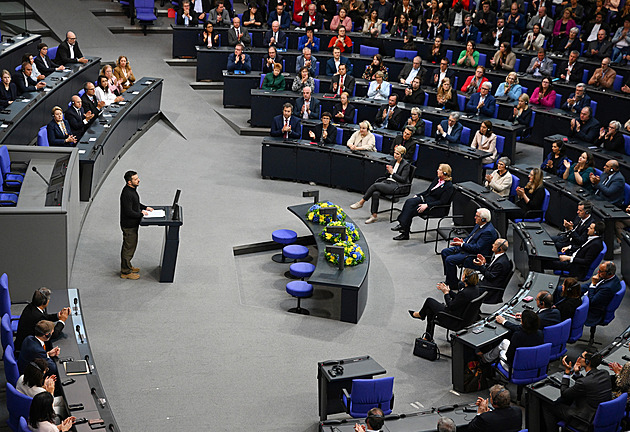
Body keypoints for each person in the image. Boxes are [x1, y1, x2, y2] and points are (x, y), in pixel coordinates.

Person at [542, 351, 612, 432]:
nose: (578, 358)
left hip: (584, 420)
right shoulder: (605, 373)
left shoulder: (584, 382)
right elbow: (587, 385)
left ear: (587, 362)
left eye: (581, 357)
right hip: (599, 416)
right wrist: (577, 373)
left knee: (548, 406)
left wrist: (567, 372)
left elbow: (564, 394)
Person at [409, 268, 481, 338]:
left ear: (466, 279)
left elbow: (450, 306)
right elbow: (459, 299)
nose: (462, 276)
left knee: (429, 301)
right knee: (429, 309)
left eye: (463, 275)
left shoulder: (464, 293)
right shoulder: (475, 289)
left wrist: (446, 293)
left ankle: (421, 315)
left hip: (454, 320)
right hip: (465, 319)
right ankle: (428, 337)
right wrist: (449, 291)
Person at [350, 145, 411, 224]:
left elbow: (403, 180)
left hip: (398, 186)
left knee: (375, 185)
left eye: (398, 154)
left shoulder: (406, 165)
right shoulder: (393, 161)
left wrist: (392, 172)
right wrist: (388, 171)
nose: (395, 155)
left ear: (402, 155)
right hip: (388, 182)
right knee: (375, 193)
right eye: (395, 153)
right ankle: (374, 216)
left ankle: (361, 202)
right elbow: (386, 175)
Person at [392, 164, 454, 240]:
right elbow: (428, 191)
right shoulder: (437, 179)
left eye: (440, 170)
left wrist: (427, 205)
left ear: (444, 173)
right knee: (409, 202)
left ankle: (405, 233)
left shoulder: (449, 186)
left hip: (435, 207)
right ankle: (402, 225)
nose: (437, 171)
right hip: (426, 199)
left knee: (411, 210)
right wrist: (418, 195)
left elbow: (442, 202)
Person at [440, 208, 498, 289]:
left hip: (474, 256)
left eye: (477, 216)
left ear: (483, 219)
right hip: (467, 249)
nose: (474, 217)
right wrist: (462, 241)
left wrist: (462, 244)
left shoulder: (488, 232)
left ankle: (453, 285)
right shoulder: (479, 225)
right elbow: (470, 237)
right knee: (444, 252)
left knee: (450, 260)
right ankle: (451, 279)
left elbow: (477, 248)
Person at [119, 171, 153, 280]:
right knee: (128, 248)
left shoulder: (132, 190)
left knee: (131, 246)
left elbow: (135, 204)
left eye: (137, 178)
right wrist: (140, 214)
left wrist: (145, 207)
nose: (138, 180)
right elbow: (129, 212)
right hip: (128, 225)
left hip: (132, 224)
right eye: (135, 179)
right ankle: (125, 272)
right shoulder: (127, 193)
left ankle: (128, 266)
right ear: (129, 182)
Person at [584, 261, 622, 341]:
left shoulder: (608, 288)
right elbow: (589, 285)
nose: (598, 272)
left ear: (609, 273)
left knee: (567, 305)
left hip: (594, 310)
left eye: (600, 271)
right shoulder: (608, 278)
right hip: (592, 297)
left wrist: (593, 285)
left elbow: (592, 301)